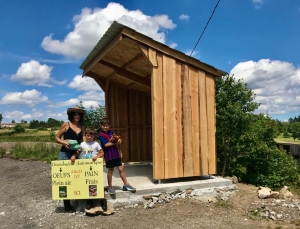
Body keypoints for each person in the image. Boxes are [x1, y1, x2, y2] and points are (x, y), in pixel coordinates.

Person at [55, 106, 86, 213]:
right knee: (64, 179)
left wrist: (77, 153)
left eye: (79, 114)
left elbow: (84, 143)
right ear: (71, 115)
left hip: (77, 154)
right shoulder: (66, 125)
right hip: (64, 154)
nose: (77, 116)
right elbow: (57, 138)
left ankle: (77, 198)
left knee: (76, 177)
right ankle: (66, 204)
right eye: (75, 114)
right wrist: (63, 142)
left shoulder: (82, 127)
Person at [70, 126, 107, 211]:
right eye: (87, 135)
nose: (89, 137)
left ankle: (103, 200)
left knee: (98, 183)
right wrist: (74, 156)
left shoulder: (96, 144)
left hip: (94, 167)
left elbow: (102, 153)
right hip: (84, 167)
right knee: (88, 183)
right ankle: (90, 201)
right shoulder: (82, 144)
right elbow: (78, 151)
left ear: (94, 136)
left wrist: (97, 157)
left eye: (91, 135)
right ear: (85, 135)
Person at [99, 117, 136, 194]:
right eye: (103, 125)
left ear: (110, 126)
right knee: (110, 170)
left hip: (116, 154)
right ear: (100, 126)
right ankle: (110, 186)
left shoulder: (111, 132)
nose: (105, 127)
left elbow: (116, 139)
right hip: (109, 155)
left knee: (121, 168)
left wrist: (119, 140)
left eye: (107, 125)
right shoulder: (101, 135)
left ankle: (126, 185)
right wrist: (115, 143)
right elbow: (105, 145)